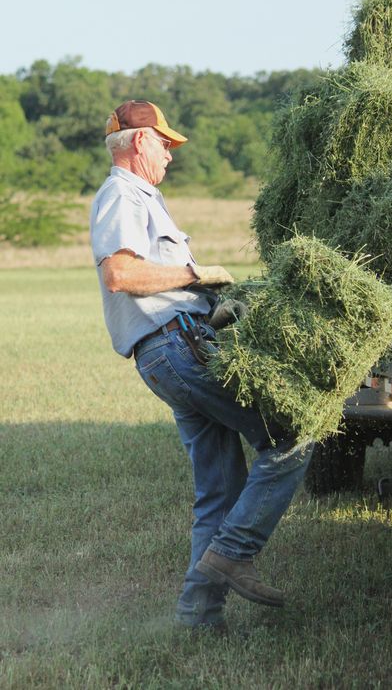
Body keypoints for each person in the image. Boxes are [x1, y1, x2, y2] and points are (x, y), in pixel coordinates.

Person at [89, 100, 313, 632]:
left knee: (219, 488)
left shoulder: (144, 198)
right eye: (164, 143)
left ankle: (198, 616)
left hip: (174, 348)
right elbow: (120, 274)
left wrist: (213, 307)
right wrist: (195, 275)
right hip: (177, 350)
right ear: (140, 142)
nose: (170, 153)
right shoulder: (123, 194)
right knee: (294, 436)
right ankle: (234, 552)